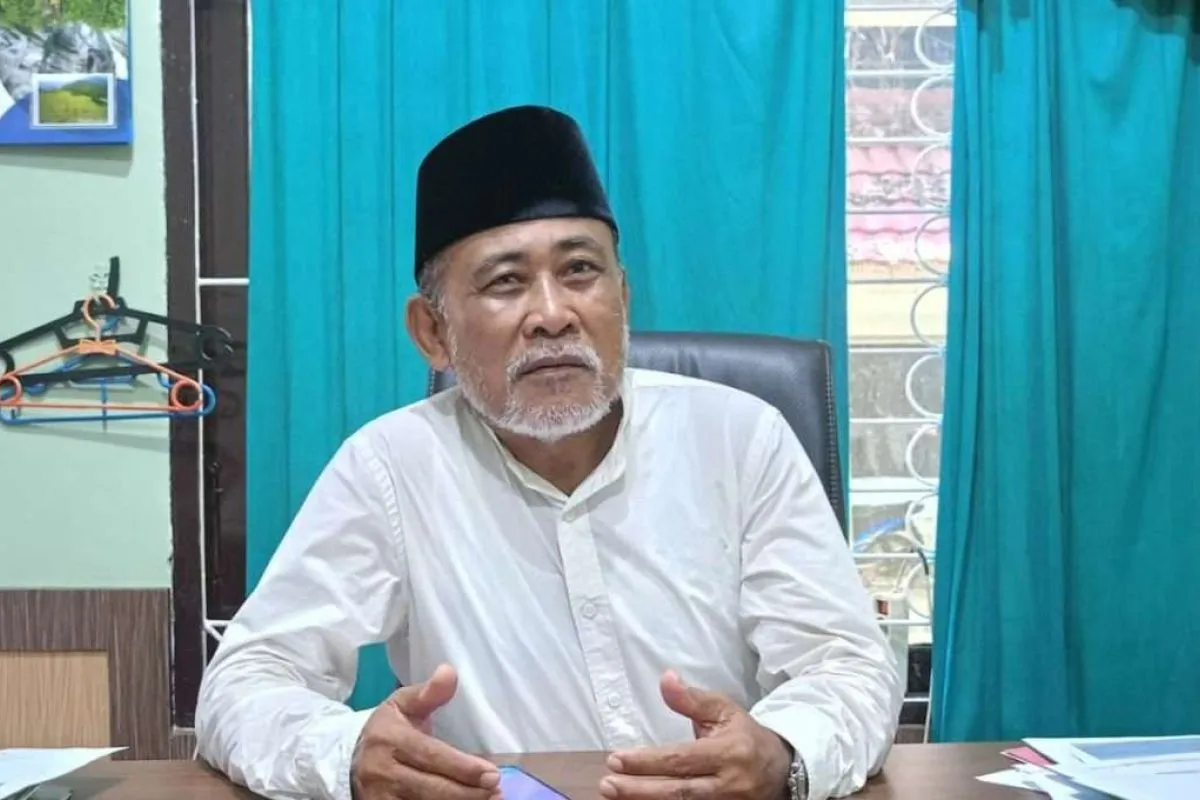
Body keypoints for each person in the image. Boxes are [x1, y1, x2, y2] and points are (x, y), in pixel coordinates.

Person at [195, 105, 902, 800]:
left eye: (581, 271)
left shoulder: (740, 438)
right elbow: (244, 683)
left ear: (623, 298)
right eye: (505, 282)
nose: (554, 315)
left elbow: (848, 665)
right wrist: (347, 754)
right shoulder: (390, 466)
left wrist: (783, 755)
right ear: (432, 333)